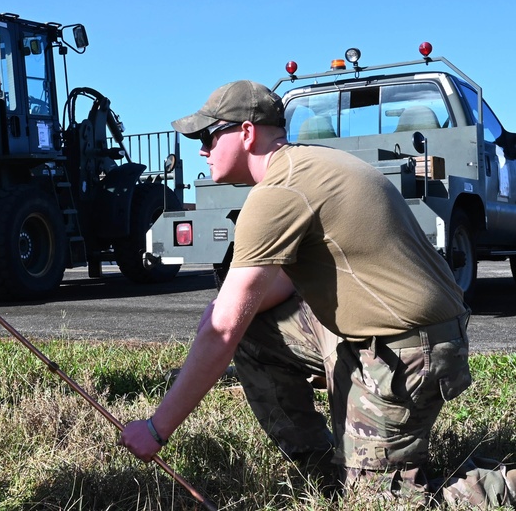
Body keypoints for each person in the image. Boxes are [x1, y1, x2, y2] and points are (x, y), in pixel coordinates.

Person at [118, 80, 516, 506]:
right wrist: (223, 310)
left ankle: (503, 484)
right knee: (253, 329)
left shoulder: (277, 192)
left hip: (410, 351)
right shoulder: (310, 166)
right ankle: (325, 468)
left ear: (247, 133)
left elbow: (222, 334)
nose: (201, 149)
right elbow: (281, 283)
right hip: (399, 335)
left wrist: (157, 430)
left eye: (208, 136)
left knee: (379, 504)